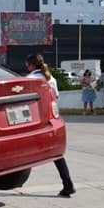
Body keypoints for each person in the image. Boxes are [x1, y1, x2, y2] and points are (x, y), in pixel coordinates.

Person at [25, 54, 75, 197]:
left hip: (35, 121)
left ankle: (13, 179)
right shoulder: (50, 79)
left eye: (27, 65)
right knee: (57, 154)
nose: (27, 68)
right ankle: (68, 184)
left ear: (32, 65)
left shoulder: (30, 80)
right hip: (52, 120)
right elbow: (56, 97)